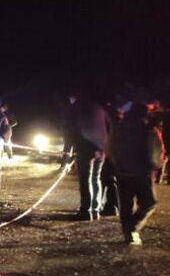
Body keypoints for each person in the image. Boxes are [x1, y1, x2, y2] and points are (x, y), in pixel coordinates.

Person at [107, 102, 165, 245]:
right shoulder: (149, 129)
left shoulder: (118, 128)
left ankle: (129, 231)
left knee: (126, 205)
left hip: (122, 171)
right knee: (149, 203)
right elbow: (156, 151)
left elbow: (109, 147)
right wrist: (156, 166)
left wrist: (117, 163)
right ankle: (132, 227)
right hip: (142, 172)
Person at [70, 95, 110, 221]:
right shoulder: (100, 108)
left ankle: (86, 210)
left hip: (86, 147)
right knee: (96, 178)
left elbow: (73, 128)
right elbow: (109, 126)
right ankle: (95, 209)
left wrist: (73, 147)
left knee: (85, 179)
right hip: (101, 148)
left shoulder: (78, 108)